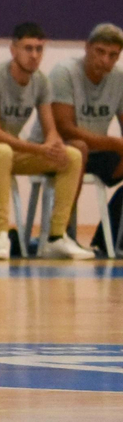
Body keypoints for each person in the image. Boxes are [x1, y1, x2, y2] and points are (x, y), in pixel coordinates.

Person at [0, 22, 92, 260]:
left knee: (72, 156)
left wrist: (54, 145)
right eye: (28, 48)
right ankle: (0, 235)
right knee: (1, 151)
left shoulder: (41, 82)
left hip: (8, 151)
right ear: (13, 50)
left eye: (39, 49)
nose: (34, 55)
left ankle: (56, 237)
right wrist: (37, 148)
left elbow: (50, 128)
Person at [48, 23, 123, 254]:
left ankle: (112, 238)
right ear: (87, 47)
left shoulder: (119, 79)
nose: (106, 60)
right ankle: (60, 235)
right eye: (100, 52)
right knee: (78, 148)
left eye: (113, 55)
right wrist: (114, 143)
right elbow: (65, 128)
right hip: (55, 150)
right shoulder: (65, 72)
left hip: (97, 152)